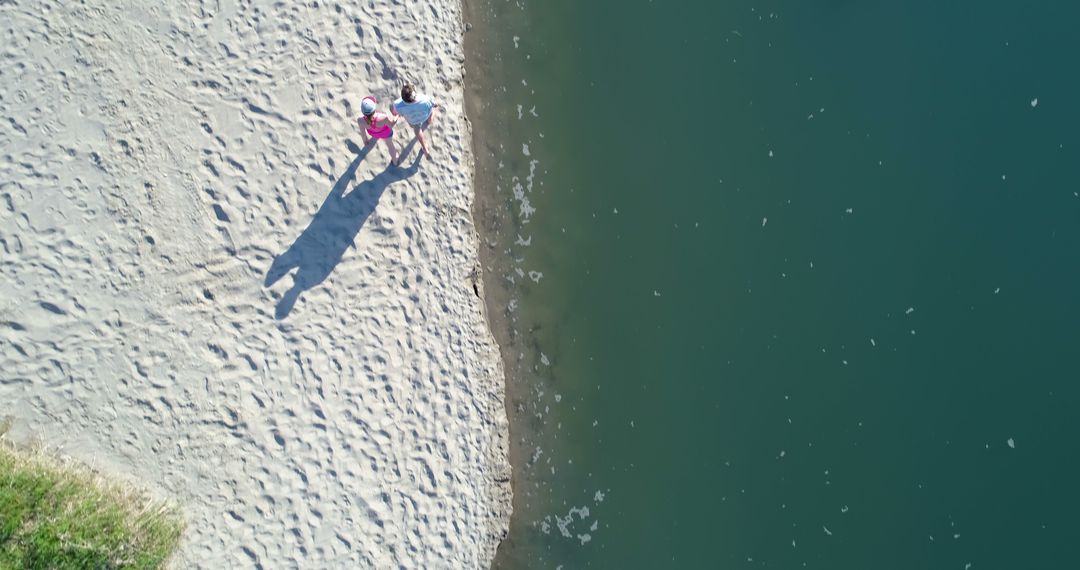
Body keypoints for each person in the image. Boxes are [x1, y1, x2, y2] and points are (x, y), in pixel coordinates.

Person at [391, 83, 438, 156]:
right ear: (415, 93)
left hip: (414, 121)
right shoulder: (424, 99)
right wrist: (435, 105)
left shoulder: (398, 105)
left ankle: (425, 148)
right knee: (431, 109)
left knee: (418, 132)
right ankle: (429, 120)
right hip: (425, 115)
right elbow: (434, 104)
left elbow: (394, 113)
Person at [358, 96, 399, 165]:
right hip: (386, 134)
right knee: (390, 145)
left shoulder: (360, 121)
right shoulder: (383, 117)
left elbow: (363, 133)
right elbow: (391, 125)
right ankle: (395, 161)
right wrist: (397, 116)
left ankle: (377, 137)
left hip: (374, 134)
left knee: (376, 132)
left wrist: (365, 141)